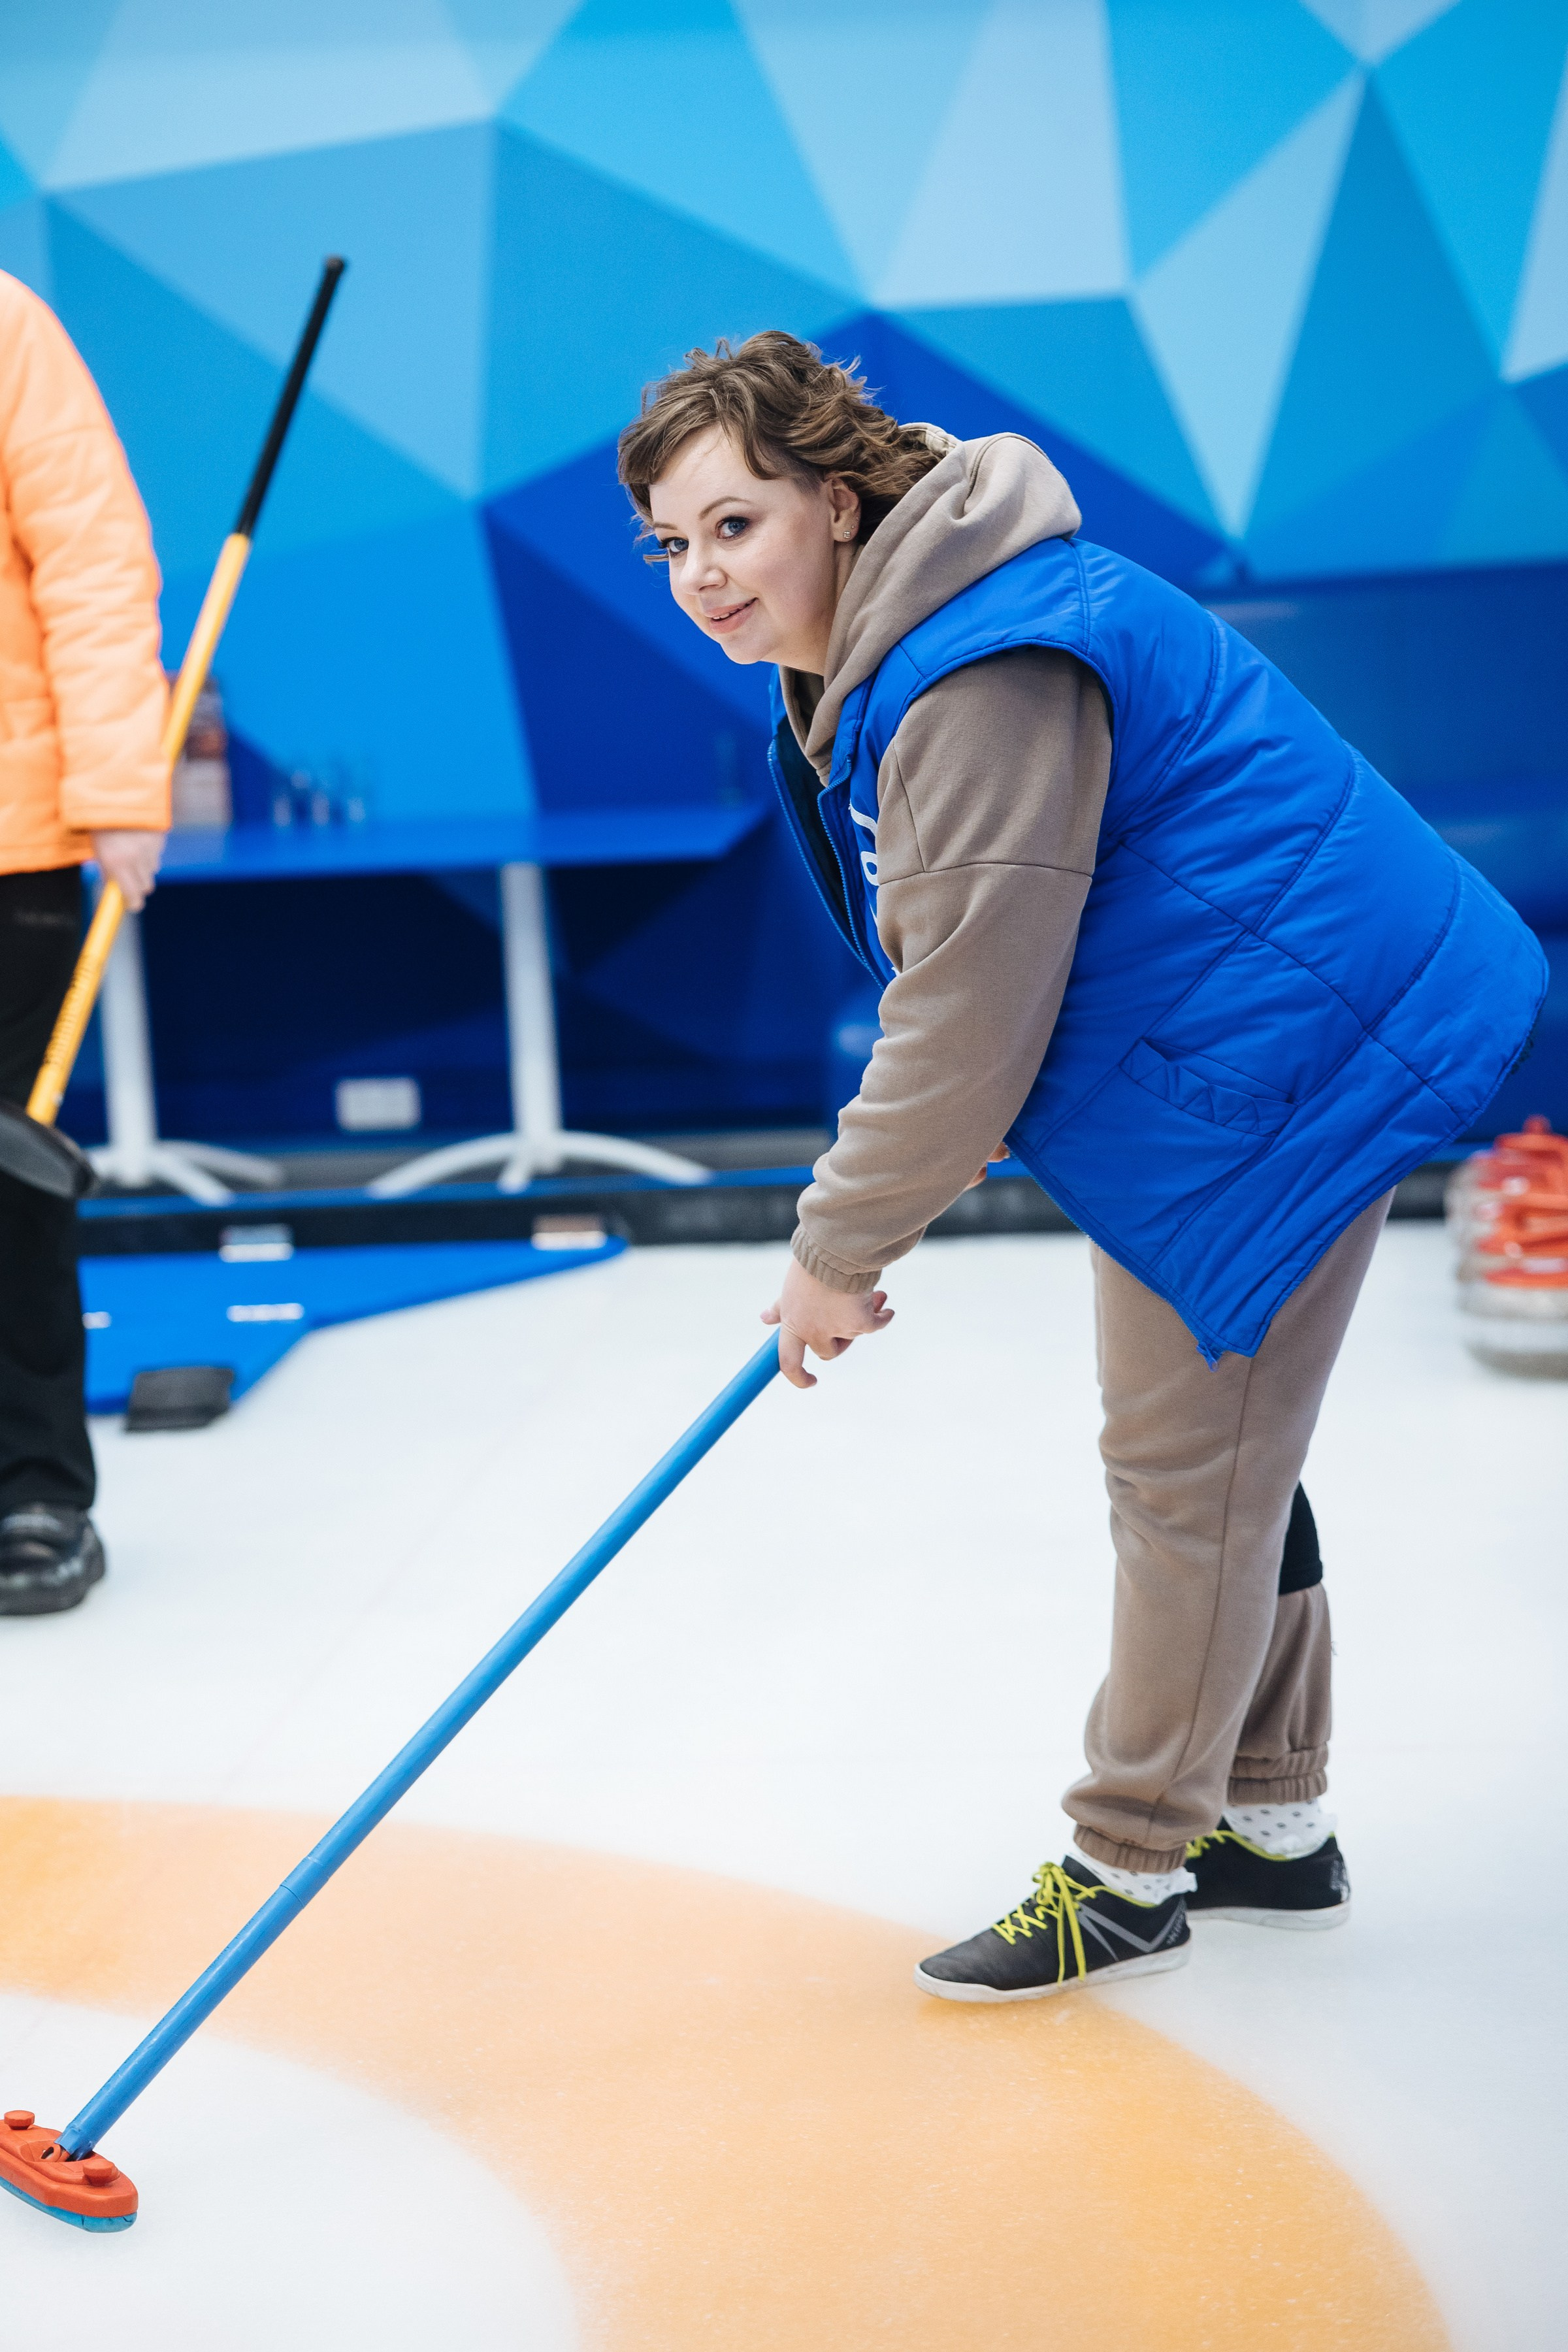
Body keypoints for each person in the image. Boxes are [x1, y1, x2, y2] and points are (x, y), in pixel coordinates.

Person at [617, 333, 1544, 2001]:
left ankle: (1129, 1866)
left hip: (1285, 1054)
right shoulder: (913, 629)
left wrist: (838, 1243)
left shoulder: (980, 664)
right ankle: (1269, 1820)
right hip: (1221, 1045)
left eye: (736, 527)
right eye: (672, 544)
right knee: (1213, 1452)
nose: (702, 577)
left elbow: (966, 1005)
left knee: (1187, 1468)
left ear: (838, 502)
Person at [0, 270, 167, 1615]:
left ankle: (32, 1491)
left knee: (7, 1178)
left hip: (10, 845)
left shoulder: (4, 326)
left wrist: (116, 794)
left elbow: (94, 558)